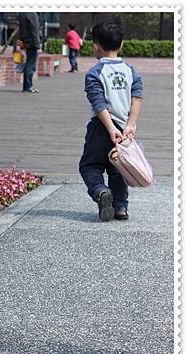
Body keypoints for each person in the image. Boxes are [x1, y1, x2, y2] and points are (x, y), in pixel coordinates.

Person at [78, 20, 144, 221]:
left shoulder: (95, 73)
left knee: (90, 166)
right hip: (124, 127)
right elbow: (137, 97)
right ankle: (121, 207)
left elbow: (99, 104)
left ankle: (100, 191)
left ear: (96, 46)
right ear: (121, 44)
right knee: (118, 168)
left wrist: (109, 128)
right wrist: (130, 125)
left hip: (101, 127)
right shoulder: (131, 71)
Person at [18, 12, 41, 93]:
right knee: (31, 66)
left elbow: (20, 30)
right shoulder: (33, 14)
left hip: (26, 42)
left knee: (29, 64)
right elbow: (35, 30)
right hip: (32, 43)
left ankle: (26, 86)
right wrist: (38, 46)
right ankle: (28, 86)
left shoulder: (22, 14)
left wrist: (21, 44)